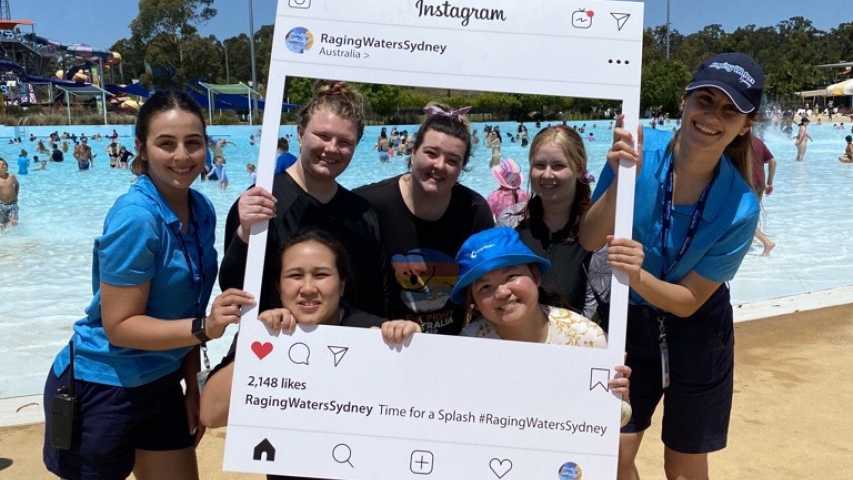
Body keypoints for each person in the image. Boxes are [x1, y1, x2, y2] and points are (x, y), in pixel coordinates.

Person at [41, 90, 254, 480]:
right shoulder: (137, 218)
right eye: (166, 143)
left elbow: (187, 304)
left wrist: (192, 384)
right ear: (140, 148)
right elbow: (120, 326)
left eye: (193, 143)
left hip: (163, 380)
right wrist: (205, 327)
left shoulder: (202, 209)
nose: (182, 156)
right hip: (104, 385)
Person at [580, 52, 763, 480]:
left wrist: (637, 273)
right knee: (614, 454)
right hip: (630, 317)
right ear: (684, 101)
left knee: (682, 463)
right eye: (705, 100)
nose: (712, 117)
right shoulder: (639, 150)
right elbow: (590, 239)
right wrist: (620, 180)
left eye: (729, 110)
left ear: (746, 124)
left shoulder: (741, 206)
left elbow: (688, 302)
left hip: (699, 329)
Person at [219, 81, 388, 319]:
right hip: (275, 340)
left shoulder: (362, 214)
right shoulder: (261, 201)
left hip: (343, 347)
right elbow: (233, 290)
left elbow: (373, 297)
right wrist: (244, 234)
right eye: (323, 136)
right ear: (300, 133)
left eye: (344, 142)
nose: (332, 148)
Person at [448, 227, 632, 425]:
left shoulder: (586, 338)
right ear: (473, 301)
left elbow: (615, 422)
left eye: (511, 276)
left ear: (535, 276)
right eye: (485, 287)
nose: (501, 292)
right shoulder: (467, 346)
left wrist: (618, 398)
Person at [355, 103, 494, 334]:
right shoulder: (369, 204)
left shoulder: (474, 211)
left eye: (452, 160)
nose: (439, 166)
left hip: (449, 343)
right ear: (412, 152)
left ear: (462, 167)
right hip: (382, 340)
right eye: (431, 153)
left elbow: (488, 280)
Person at [498, 126, 597, 314]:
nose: (547, 175)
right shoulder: (510, 223)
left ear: (579, 168)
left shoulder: (596, 230)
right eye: (539, 165)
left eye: (558, 166)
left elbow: (596, 309)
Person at [751, 134, 776, 255]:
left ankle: (766, 242)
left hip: (745, 185)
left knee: (738, 218)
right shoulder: (757, 141)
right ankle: (757, 241)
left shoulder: (735, 143)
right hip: (759, 184)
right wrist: (769, 182)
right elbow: (773, 161)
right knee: (753, 215)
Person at [0, 158, 19, 230]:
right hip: (1, 205)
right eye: (1, 165)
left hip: (13, 204)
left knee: (14, 222)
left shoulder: (11, 176)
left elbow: (17, 185)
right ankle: (4, 239)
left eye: (4, 164)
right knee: (2, 224)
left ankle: (15, 238)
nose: (3, 166)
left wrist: (16, 195)